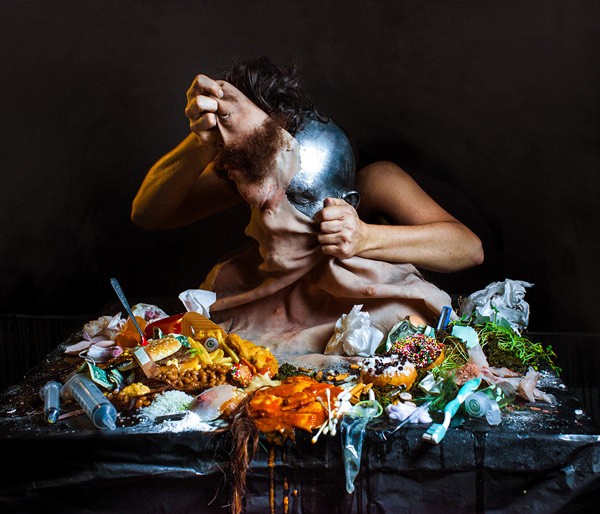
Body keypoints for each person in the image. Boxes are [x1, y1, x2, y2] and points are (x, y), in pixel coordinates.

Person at [132, 57, 483, 366]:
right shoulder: (256, 170)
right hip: (270, 303)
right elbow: (148, 214)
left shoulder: (376, 180)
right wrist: (202, 141)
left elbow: (468, 248)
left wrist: (365, 237)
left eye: (296, 195)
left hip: (356, 310)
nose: (276, 204)